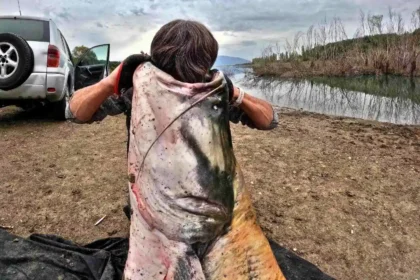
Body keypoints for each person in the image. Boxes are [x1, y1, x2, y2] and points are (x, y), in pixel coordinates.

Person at [67, 19, 279, 218]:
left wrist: (234, 93)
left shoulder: (212, 94)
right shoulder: (138, 91)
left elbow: (269, 120)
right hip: (153, 199)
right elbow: (76, 113)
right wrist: (112, 81)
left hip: (208, 198)